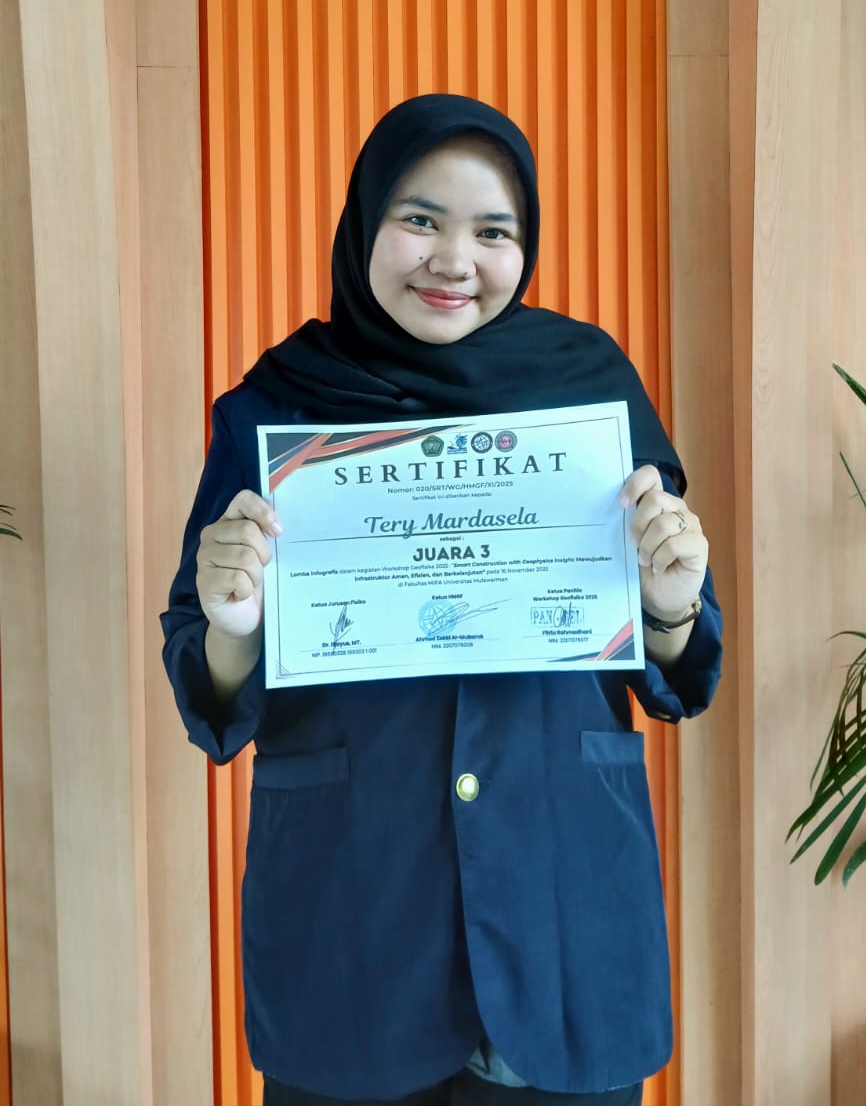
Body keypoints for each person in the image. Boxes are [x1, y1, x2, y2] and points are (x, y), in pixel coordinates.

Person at [162, 94, 722, 1106]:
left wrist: (669, 607)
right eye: (419, 218)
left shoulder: (589, 389)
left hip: (563, 921)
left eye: (493, 232)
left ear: (525, 245)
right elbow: (206, 677)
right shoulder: (276, 406)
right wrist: (235, 628)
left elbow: (679, 671)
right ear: (365, 222)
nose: (454, 260)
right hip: (353, 930)